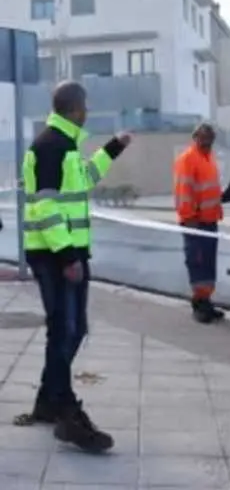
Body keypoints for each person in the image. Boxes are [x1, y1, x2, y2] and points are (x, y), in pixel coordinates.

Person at [13, 81, 130, 452]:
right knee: (65, 328)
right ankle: (66, 409)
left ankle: (50, 401)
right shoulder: (51, 146)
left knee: (71, 329)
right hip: (56, 255)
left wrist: (113, 148)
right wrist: (66, 257)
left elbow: (85, 181)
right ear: (76, 108)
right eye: (86, 105)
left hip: (68, 252)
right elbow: (45, 207)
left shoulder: (66, 146)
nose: (89, 110)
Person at [173, 123, 230, 324]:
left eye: (210, 138)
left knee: (208, 262)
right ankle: (199, 303)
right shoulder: (188, 160)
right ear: (196, 137)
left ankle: (206, 300)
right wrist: (190, 220)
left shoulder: (208, 159)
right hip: (195, 222)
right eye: (203, 137)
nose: (207, 141)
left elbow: (208, 191)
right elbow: (184, 193)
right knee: (198, 261)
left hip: (209, 220)